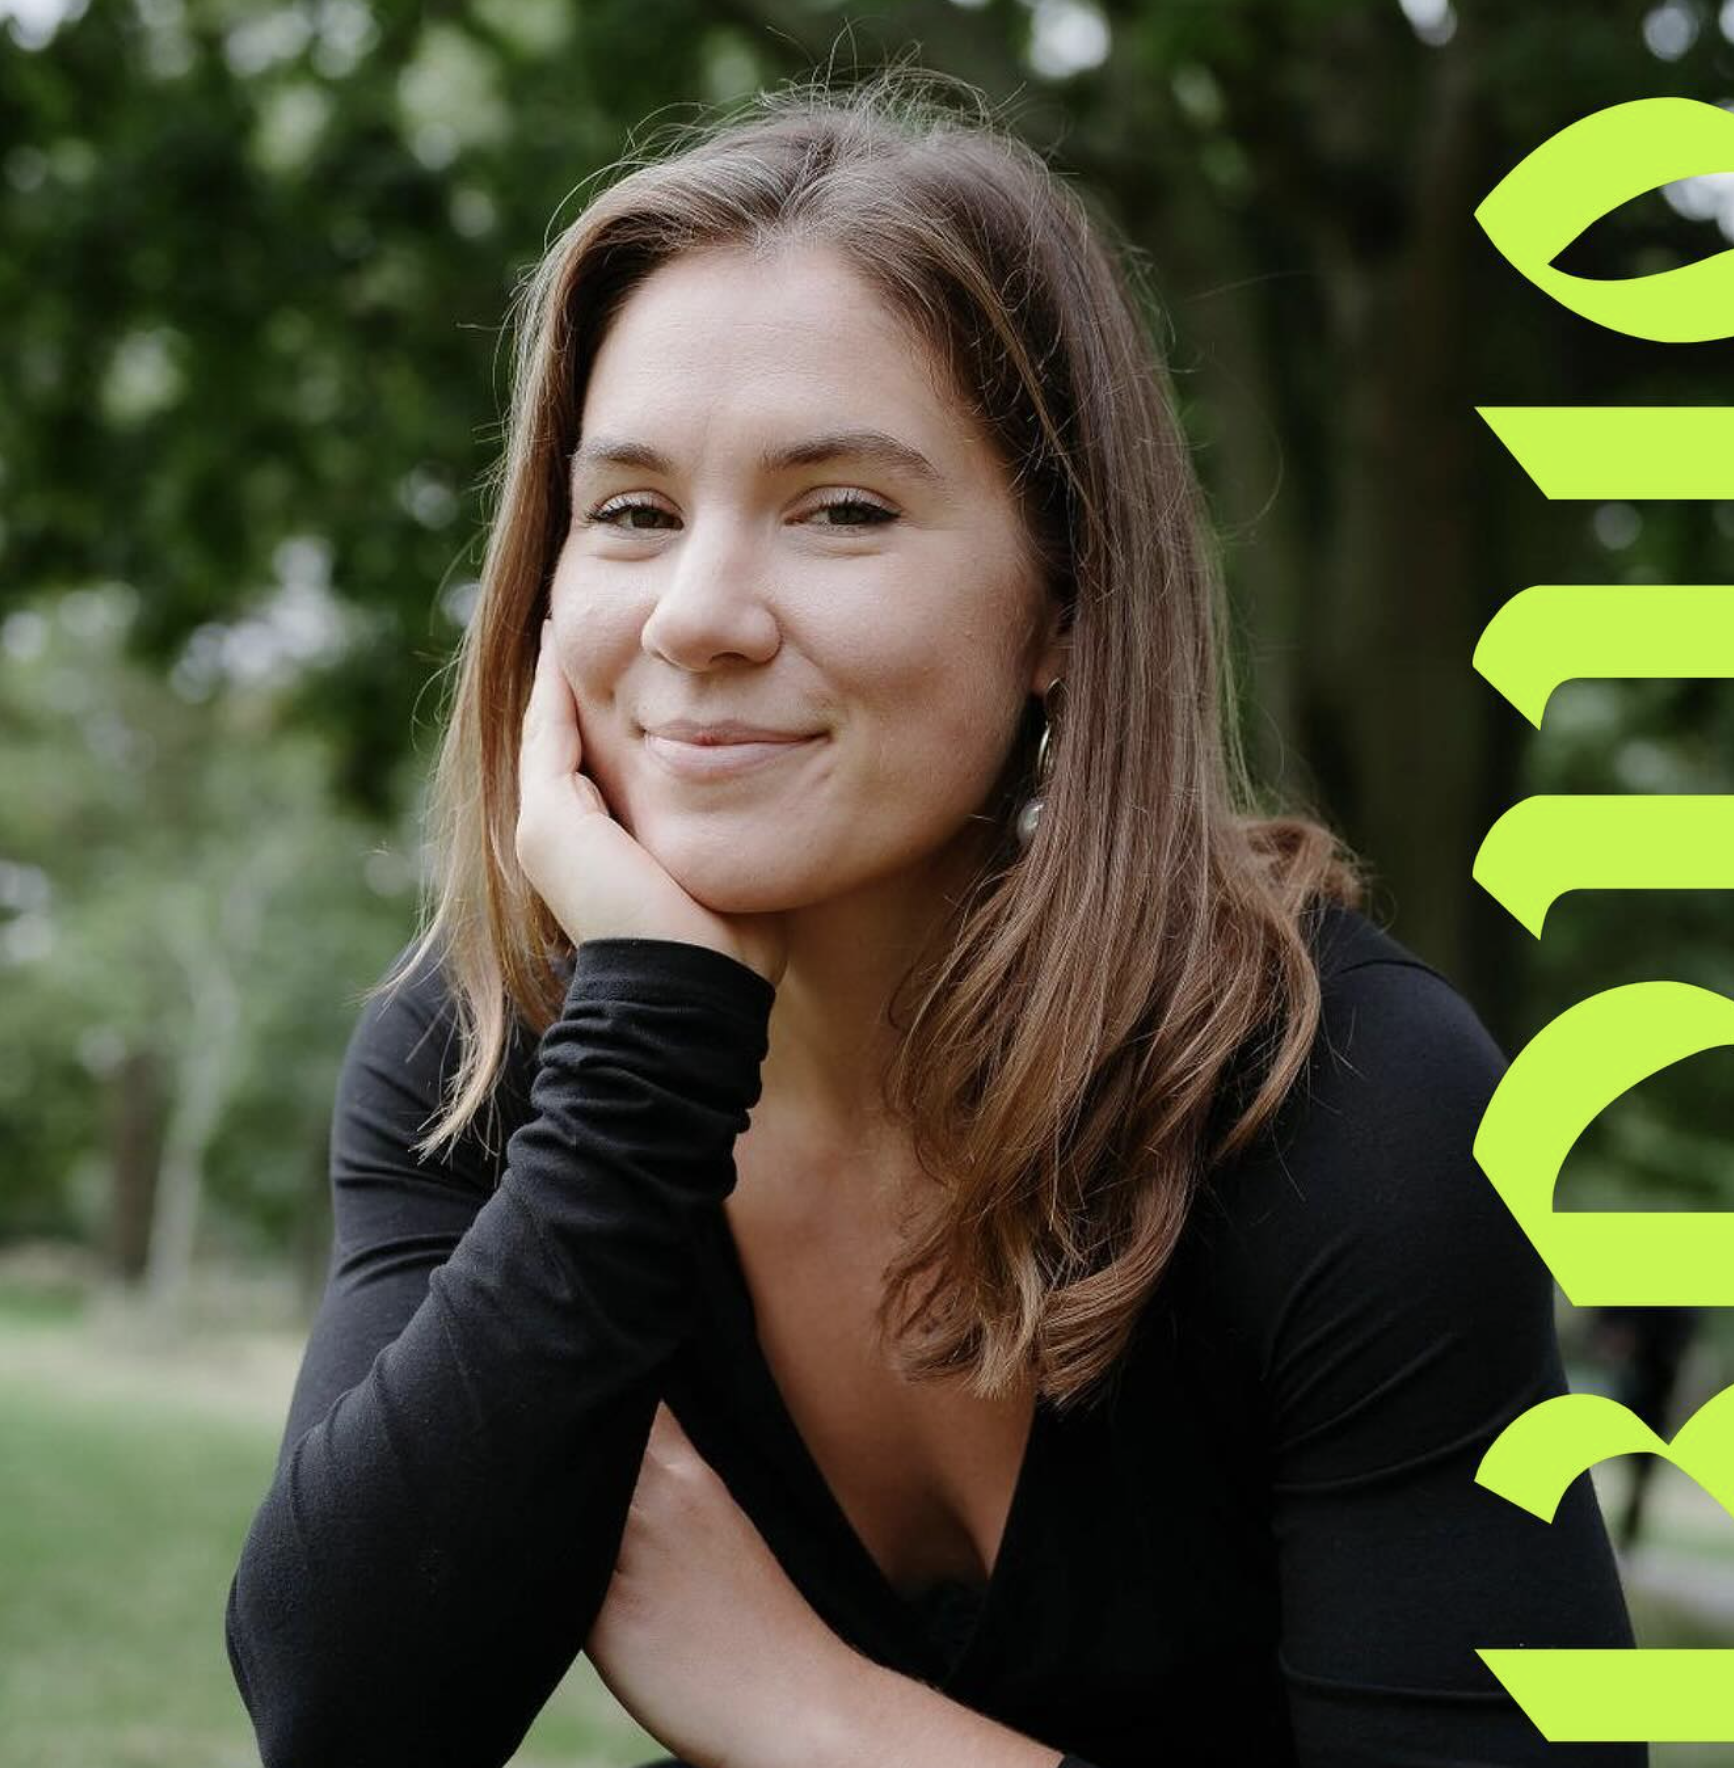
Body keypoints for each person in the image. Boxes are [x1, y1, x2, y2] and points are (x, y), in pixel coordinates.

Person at [224, 65, 1643, 1768]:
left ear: (1063, 597)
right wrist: (651, 1037)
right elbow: (344, 1717)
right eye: (630, 513)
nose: (696, 616)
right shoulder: (480, 1062)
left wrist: (796, 1701)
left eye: (843, 510)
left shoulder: (1347, 1104)